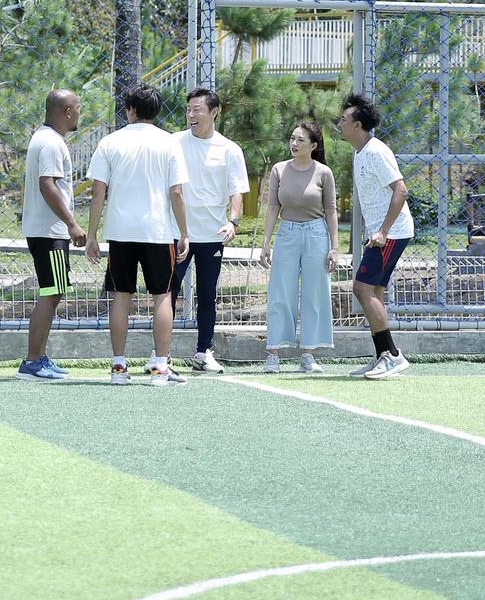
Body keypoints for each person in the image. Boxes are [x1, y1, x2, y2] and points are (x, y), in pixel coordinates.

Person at [85, 85, 191, 387]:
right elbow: (176, 192)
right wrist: (184, 232)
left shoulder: (110, 141)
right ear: (156, 111)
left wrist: (92, 235)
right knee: (162, 297)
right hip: (158, 231)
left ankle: (118, 367)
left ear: (130, 110)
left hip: (120, 231)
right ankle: (160, 368)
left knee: (121, 296)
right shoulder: (170, 143)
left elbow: (98, 192)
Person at [166, 87, 249, 374]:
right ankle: (160, 354)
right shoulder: (174, 142)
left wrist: (233, 221)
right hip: (177, 234)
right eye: (189, 109)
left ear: (214, 113)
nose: (191, 114)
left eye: (197, 109)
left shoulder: (230, 149)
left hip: (212, 235)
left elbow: (237, 191)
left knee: (208, 295)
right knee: (167, 291)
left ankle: (203, 352)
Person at [337, 93, 414, 380]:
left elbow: (400, 190)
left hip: (391, 232)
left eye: (344, 120)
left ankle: (392, 355)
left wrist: (382, 231)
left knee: (361, 288)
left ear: (358, 126)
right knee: (374, 291)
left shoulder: (376, 151)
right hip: (382, 233)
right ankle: (384, 356)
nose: (339, 124)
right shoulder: (360, 152)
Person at [16, 89, 85, 380]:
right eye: (77, 109)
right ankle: (32, 362)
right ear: (68, 112)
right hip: (50, 232)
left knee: (52, 292)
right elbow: (48, 185)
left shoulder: (44, 138)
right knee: (51, 293)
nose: (79, 114)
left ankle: (39, 358)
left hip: (45, 231)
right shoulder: (51, 143)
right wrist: (71, 223)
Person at [260, 121, 339, 373]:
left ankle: (308, 353)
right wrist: (265, 243)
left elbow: (331, 211)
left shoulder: (324, 172)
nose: (294, 144)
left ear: (313, 146)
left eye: (300, 140)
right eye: (292, 138)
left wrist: (335, 247)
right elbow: (273, 207)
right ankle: (273, 354)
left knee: (315, 294)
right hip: (287, 234)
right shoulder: (279, 169)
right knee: (280, 293)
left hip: (316, 234)